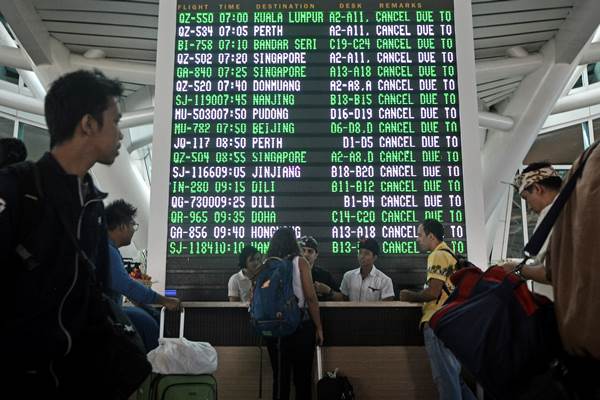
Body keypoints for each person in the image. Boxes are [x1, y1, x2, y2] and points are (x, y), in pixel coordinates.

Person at [0, 70, 125, 396]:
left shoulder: (93, 207)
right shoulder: (16, 190)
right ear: (88, 124)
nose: (121, 134)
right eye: (115, 121)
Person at [399, 220, 476, 400]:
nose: (417, 239)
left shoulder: (437, 255)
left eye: (420, 235)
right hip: (452, 322)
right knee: (456, 380)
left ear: (431, 236)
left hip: (437, 322)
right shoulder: (451, 255)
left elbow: (433, 292)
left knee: (446, 381)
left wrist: (409, 295)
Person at [105, 199, 181, 351]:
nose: (134, 230)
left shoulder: (106, 248)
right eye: (133, 225)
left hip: (107, 311)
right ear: (122, 226)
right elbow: (126, 285)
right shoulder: (107, 251)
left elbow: (126, 287)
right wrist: (164, 300)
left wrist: (148, 306)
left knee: (147, 315)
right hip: (104, 316)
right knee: (144, 321)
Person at [264, 227, 323, 400]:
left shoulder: (267, 263)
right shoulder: (300, 262)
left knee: (280, 378)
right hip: (300, 328)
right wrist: (319, 327)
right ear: (293, 242)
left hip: (274, 329)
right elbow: (311, 299)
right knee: (302, 379)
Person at [500, 162, 562, 298]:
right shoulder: (573, 208)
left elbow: (554, 273)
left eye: (526, 198)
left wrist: (517, 269)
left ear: (538, 188)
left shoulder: (552, 215)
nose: (528, 207)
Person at [298, 235, 343, 301]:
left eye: (310, 251)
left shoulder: (324, 275)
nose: (306, 254)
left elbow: (341, 298)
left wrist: (328, 291)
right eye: (303, 250)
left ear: (316, 255)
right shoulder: (290, 273)